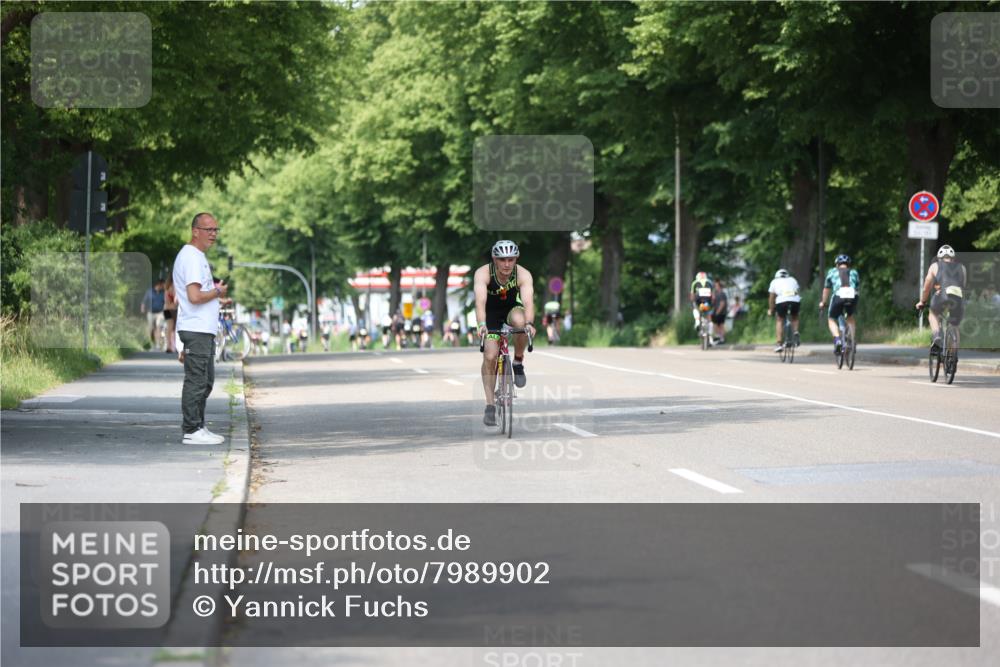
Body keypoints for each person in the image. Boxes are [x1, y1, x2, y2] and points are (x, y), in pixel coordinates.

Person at [173, 213, 227, 445]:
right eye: (208, 229)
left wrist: (216, 299)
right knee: (197, 381)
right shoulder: (192, 257)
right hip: (196, 329)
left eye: (216, 229)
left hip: (202, 329)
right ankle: (192, 429)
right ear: (195, 231)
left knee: (205, 381)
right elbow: (194, 296)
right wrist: (217, 292)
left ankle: (199, 426)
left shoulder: (197, 256)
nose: (213, 234)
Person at [474, 240, 535, 426]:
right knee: (490, 356)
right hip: (490, 314)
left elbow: (528, 302)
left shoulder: (523, 274)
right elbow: (480, 302)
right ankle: (490, 405)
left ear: (516, 259)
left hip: (512, 308)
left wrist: (530, 323)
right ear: (495, 259)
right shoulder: (483, 273)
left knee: (521, 322)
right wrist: (482, 324)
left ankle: (517, 362)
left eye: (511, 259)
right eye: (502, 260)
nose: (507, 264)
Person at [916, 244, 967, 352]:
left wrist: (922, 301)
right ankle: (953, 358)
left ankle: (937, 335)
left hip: (943, 295)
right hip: (958, 298)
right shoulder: (962, 268)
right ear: (953, 258)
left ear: (939, 258)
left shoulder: (935, 266)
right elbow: (963, 286)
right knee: (955, 325)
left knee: (933, 313)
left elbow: (926, 286)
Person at [819, 254, 860, 356]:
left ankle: (837, 341)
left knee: (831, 318)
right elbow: (857, 286)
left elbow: (826, 289)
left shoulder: (832, 272)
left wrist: (823, 302)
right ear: (848, 265)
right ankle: (852, 341)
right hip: (852, 294)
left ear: (837, 264)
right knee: (850, 317)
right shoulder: (854, 272)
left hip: (839, 294)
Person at [767, 269, 801, 352]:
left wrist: (771, 309)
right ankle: (796, 331)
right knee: (795, 317)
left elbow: (771, 298)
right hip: (795, 300)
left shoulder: (774, 281)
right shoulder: (793, 279)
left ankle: (779, 344)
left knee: (779, 320)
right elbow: (798, 292)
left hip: (782, 300)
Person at [141, 278, 166, 349]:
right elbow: (144, 301)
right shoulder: (149, 292)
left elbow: (166, 303)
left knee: (158, 326)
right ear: (159, 285)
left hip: (160, 313)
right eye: (163, 285)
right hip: (150, 313)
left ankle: (158, 344)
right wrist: (142, 308)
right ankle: (151, 344)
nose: (164, 286)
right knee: (151, 328)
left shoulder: (163, 293)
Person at [163, 275, 178, 354]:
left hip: (171, 310)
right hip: (169, 310)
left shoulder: (167, 289)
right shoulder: (169, 289)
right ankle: (170, 346)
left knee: (173, 328)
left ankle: (172, 346)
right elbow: (168, 304)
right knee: (171, 328)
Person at [710, 278, 728, 344]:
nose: (715, 287)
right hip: (716, 312)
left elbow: (722, 304)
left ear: (719, 286)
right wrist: (713, 297)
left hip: (721, 312)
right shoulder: (716, 294)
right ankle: (719, 337)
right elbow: (712, 302)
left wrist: (717, 312)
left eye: (716, 286)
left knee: (720, 325)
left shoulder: (722, 294)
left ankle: (721, 338)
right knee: (717, 325)